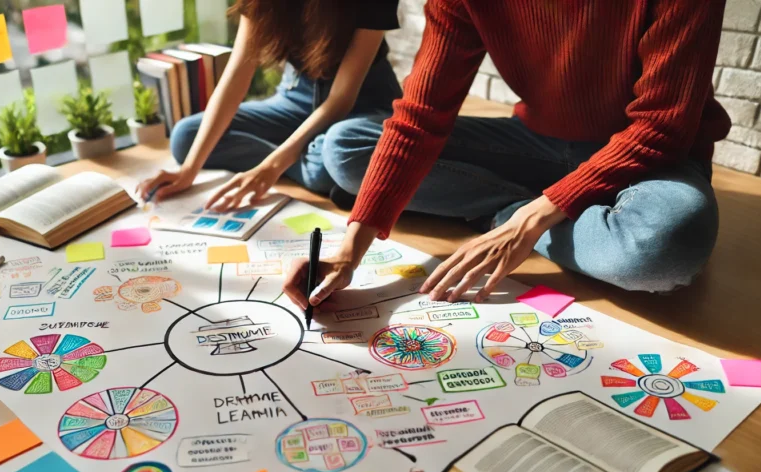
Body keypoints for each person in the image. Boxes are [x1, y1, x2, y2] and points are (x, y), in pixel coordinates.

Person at [284, 1, 731, 312]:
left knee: (662, 247)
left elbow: (662, 124)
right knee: (345, 148)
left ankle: (512, 213)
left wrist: (528, 222)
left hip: (653, 156)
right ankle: (527, 208)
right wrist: (350, 250)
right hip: (539, 142)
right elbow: (420, 115)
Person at [136, 0, 402, 211]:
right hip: (295, 97)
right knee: (186, 137)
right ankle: (310, 165)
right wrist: (188, 170)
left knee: (336, 152)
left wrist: (272, 167)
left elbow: (340, 100)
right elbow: (237, 74)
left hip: (362, 104)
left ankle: (311, 166)